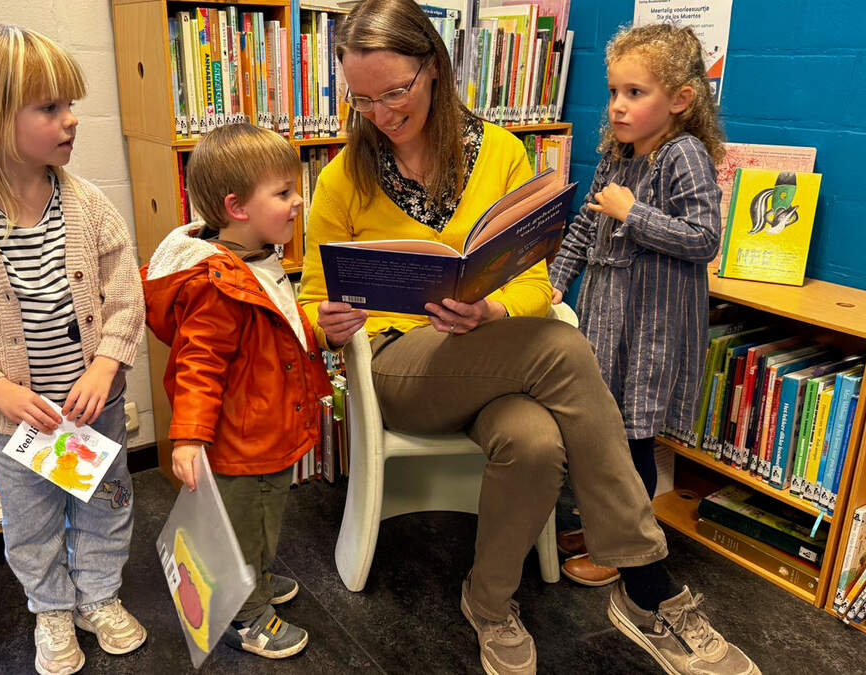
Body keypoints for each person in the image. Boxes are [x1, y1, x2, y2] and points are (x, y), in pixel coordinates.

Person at [299, 2, 759, 674]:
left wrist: (491, 310)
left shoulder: (504, 153)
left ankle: (488, 603)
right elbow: (314, 298)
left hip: (490, 357)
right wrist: (327, 320)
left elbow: (535, 280)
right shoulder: (346, 175)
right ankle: (647, 586)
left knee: (537, 442)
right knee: (563, 348)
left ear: (434, 69)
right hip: (402, 370)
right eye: (362, 98)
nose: (381, 113)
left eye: (395, 91)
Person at [0, 23, 147, 675]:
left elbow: (126, 294)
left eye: (70, 104)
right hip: (16, 423)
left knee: (104, 506)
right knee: (33, 522)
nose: (71, 121)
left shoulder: (91, 206)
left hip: (93, 411)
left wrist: (107, 363)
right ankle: (50, 607)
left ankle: (98, 596)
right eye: (50, 108)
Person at [142, 123, 331, 660]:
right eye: (284, 192)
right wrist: (187, 438)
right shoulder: (218, 285)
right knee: (249, 528)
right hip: (242, 444)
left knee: (263, 521)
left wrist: (321, 332)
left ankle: (258, 582)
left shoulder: (257, 257)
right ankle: (245, 617)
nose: (299, 202)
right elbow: (197, 366)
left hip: (266, 427)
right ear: (237, 207)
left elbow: (280, 335)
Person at [548, 23, 726, 590]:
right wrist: (555, 281)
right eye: (614, 92)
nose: (618, 107)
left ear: (680, 100)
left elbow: (704, 237)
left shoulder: (686, 155)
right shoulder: (615, 157)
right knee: (601, 433)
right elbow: (582, 228)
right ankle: (606, 528)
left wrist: (634, 215)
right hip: (605, 321)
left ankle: (624, 550)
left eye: (635, 93)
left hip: (652, 330)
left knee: (632, 438)